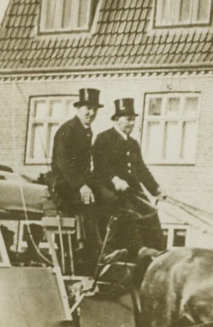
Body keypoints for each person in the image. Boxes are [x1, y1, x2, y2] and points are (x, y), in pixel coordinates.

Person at [93, 97, 167, 270]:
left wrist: (156, 189)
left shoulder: (133, 143)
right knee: (126, 211)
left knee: (150, 210)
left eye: (133, 120)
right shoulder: (104, 138)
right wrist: (115, 179)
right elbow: (100, 165)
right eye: (127, 119)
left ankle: (157, 250)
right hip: (109, 186)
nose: (131, 123)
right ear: (117, 120)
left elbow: (141, 169)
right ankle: (135, 248)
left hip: (131, 188)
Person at [50, 87, 102, 273]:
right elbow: (63, 162)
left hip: (78, 181)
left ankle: (102, 248)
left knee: (110, 197)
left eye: (95, 109)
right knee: (88, 204)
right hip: (64, 183)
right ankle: (88, 250)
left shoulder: (87, 131)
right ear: (78, 109)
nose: (91, 112)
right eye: (88, 108)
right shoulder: (68, 130)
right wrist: (81, 185)